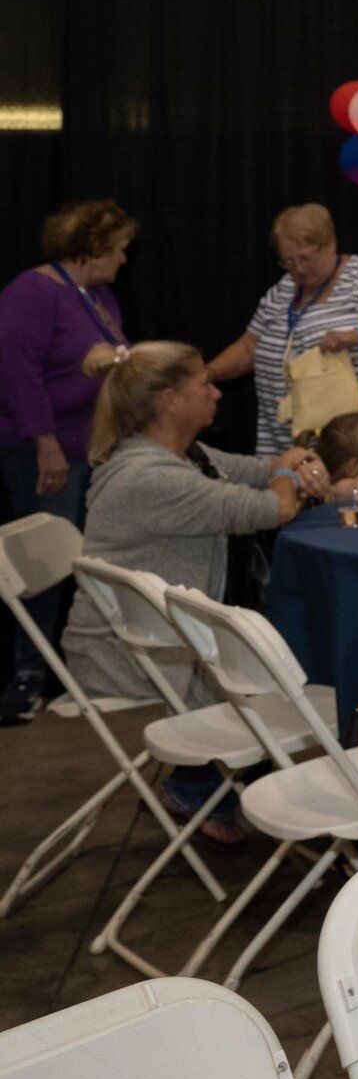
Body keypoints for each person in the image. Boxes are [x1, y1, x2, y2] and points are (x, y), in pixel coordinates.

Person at [59, 341, 330, 844]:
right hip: (130, 655)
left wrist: (291, 461)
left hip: (160, 639)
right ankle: (204, 788)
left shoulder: (182, 456)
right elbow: (274, 509)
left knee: (266, 652)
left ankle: (201, 785)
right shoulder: (150, 478)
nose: (217, 394)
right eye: (204, 384)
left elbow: (258, 471)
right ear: (168, 400)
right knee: (288, 666)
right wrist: (293, 473)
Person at [0, 200, 138, 723]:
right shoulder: (32, 291)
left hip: (93, 447)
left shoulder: (97, 295)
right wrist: (45, 442)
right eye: (120, 248)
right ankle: (27, 676)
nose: (125, 259)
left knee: (89, 557)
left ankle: (80, 668)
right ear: (95, 246)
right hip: (48, 450)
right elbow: (17, 371)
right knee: (46, 563)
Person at [206, 204, 358, 457]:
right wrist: (208, 373)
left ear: (330, 244)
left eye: (306, 258)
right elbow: (249, 346)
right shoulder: (283, 290)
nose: (298, 269)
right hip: (297, 448)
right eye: (288, 261)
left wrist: (356, 336)